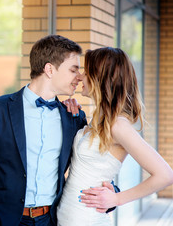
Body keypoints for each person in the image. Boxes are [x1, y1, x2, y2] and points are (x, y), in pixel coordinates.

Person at [0, 35, 116, 226]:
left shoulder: (74, 117)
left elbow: (90, 163)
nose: (79, 77)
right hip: (4, 219)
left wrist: (113, 195)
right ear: (49, 69)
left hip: (51, 219)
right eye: (73, 70)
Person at [57, 47, 173, 226]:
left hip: (87, 219)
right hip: (68, 216)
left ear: (100, 79)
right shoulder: (100, 119)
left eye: (87, 73)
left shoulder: (118, 125)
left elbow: (165, 175)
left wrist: (117, 199)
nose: (80, 77)